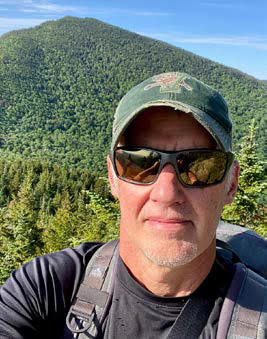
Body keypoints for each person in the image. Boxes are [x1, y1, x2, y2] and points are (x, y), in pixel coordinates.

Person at [0, 71, 266, 339]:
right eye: (139, 163)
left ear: (231, 183)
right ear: (112, 178)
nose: (166, 192)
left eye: (199, 165)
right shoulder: (45, 289)